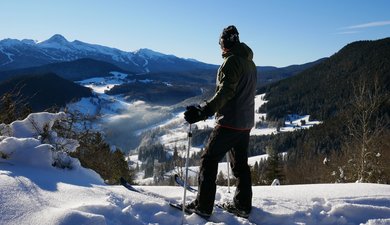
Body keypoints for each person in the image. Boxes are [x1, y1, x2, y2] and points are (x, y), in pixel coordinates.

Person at [184, 25, 257, 218]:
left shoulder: (231, 62)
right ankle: (243, 205)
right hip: (245, 122)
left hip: (229, 121)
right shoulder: (249, 63)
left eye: (221, 43)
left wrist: (204, 111)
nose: (220, 47)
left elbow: (226, 92)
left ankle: (203, 205)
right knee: (240, 165)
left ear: (225, 43)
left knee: (208, 159)